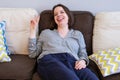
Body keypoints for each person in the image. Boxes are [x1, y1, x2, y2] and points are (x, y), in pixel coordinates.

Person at [29, 4, 99, 80]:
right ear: (54, 19)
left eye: (62, 12)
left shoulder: (77, 34)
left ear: (68, 15)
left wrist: (83, 61)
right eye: (56, 14)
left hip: (73, 62)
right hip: (50, 60)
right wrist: (33, 30)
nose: (58, 15)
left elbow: (83, 52)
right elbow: (33, 54)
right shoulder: (46, 33)